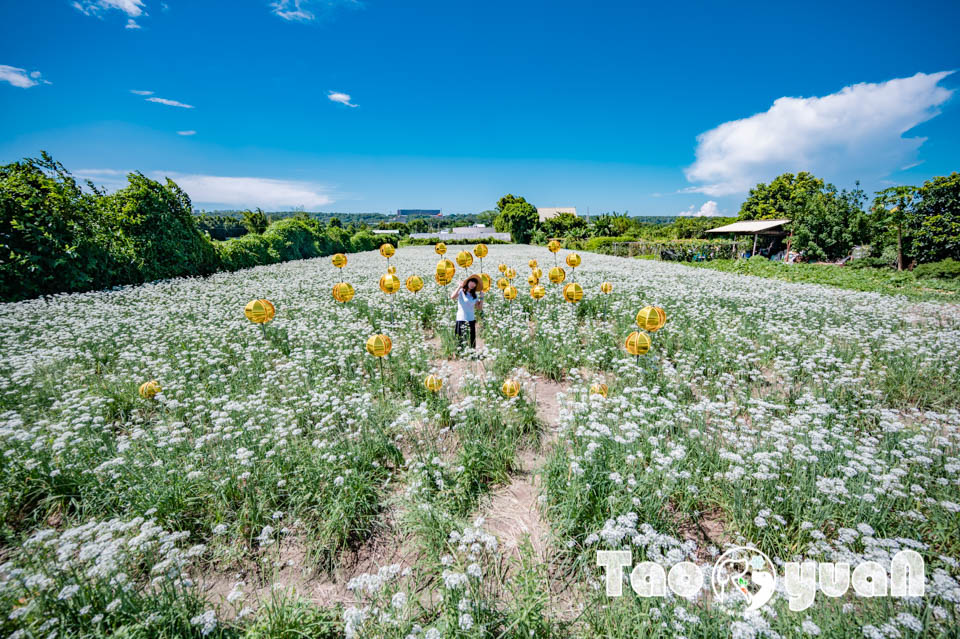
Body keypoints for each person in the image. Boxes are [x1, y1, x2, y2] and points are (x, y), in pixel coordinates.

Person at [450, 275, 483, 351]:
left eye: (475, 283)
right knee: (460, 339)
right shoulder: (461, 291)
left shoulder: (474, 295)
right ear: (468, 282)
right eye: (472, 282)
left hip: (471, 319)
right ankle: (460, 354)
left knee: (471, 339)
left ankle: (471, 354)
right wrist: (459, 286)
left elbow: (479, 308)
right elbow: (452, 297)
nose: (473, 284)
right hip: (461, 318)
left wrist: (482, 298)